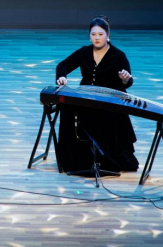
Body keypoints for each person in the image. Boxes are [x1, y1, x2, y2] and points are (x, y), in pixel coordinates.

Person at [55, 15, 139, 173]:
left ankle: (104, 157)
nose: (97, 38)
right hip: (87, 99)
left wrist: (125, 79)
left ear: (108, 35)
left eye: (100, 34)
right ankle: (74, 157)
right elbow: (62, 65)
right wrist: (61, 77)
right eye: (93, 34)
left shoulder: (118, 55)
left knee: (105, 117)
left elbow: (128, 81)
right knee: (66, 107)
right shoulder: (84, 52)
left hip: (110, 102)